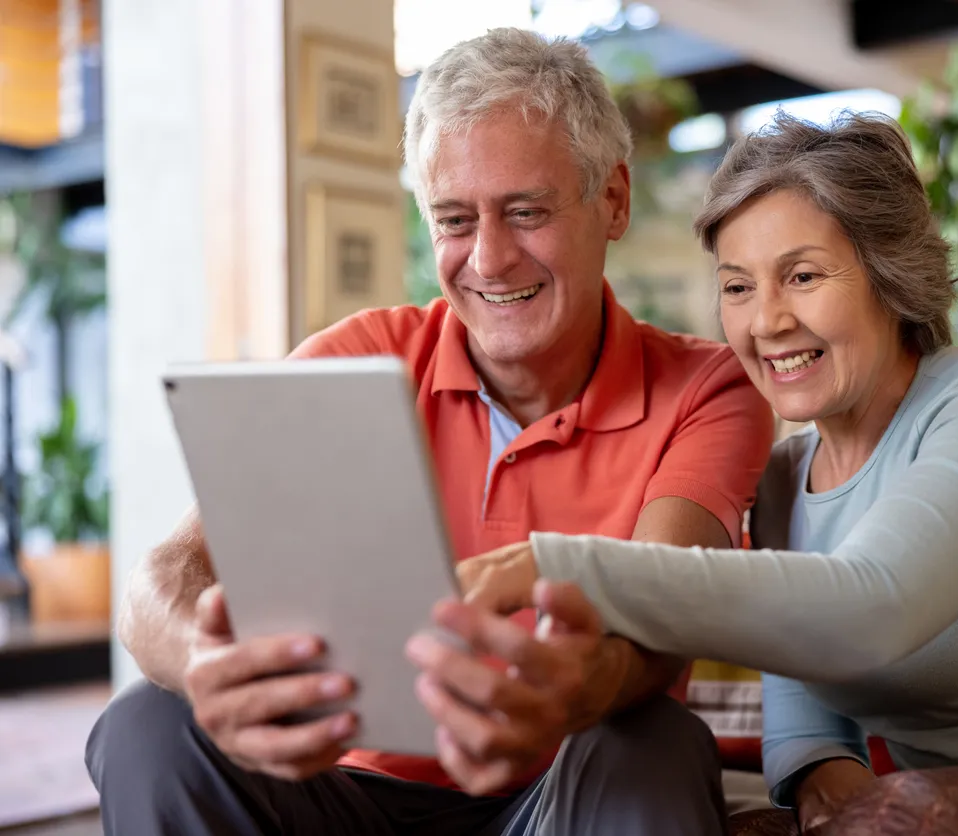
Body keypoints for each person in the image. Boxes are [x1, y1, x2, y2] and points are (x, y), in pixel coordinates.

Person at [458, 112, 958, 835]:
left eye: (801, 276)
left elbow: (870, 607)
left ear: (888, 274)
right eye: (737, 287)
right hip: (948, 809)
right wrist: (822, 785)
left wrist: (559, 562)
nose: (766, 321)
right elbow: (805, 699)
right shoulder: (777, 485)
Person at [85, 28, 775, 836]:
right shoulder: (357, 358)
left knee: (653, 742)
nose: (487, 259)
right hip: (345, 791)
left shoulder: (707, 386)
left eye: (526, 212)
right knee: (146, 727)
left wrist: (568, 686)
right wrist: (208, 668)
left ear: (612, 200)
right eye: (454, 220)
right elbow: (160, 582)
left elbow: (663, 612)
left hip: (561, 794)